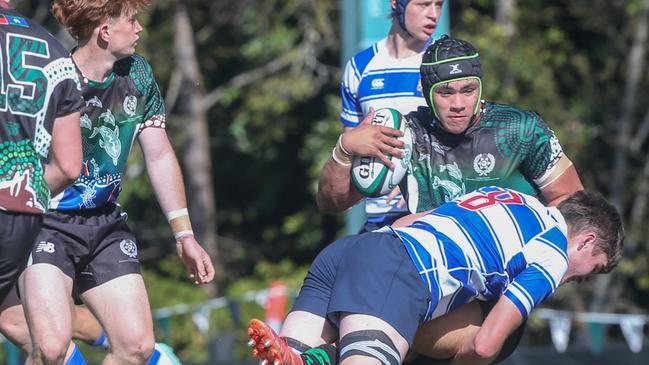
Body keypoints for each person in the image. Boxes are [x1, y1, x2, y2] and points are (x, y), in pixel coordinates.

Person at [318, 35, 585, 363]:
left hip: (490, 299)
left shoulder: (521, 130)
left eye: (467, 90)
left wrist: (543, 266)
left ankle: (330, 353)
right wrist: (344, 150)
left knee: (387, 316)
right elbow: (332, 201)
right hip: (428, 283)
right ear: (427, 93)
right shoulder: (408, 135)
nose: (458, 103)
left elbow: (573, 205)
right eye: (445, 92)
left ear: (480, 88)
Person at [14, 1, 215, 364]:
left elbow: (158, 154)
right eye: (132, 21)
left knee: (137, 347)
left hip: (104, 223)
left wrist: (184, 234)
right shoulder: (54, 77)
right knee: (51, 348)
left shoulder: (137, 74)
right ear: (105, 32)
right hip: (46, 224)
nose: (139, 29)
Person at [248, 187, 624, 365]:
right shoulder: (553, 254)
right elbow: (484, 345)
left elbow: (412, 221)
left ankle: (310, 359)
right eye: (594, 267)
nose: (582, 279)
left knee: (288, 361)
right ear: (586, 240)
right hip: (395, 270)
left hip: (352, 251)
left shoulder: (509, 195)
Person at [325, 0, 444, 231]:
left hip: (433, 217)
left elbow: (467, 141)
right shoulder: (360, 67)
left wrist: (417, 182)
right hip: (379, 221)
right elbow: (353, 153)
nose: (433, 14)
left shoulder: (442, 62)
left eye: (439, 5)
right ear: (395, 3)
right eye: (423, 4)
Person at [0, 0, 82, 303]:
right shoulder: (56, 52)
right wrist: (17, 188)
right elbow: (69, 166)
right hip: (22, 215)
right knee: (16, 323)